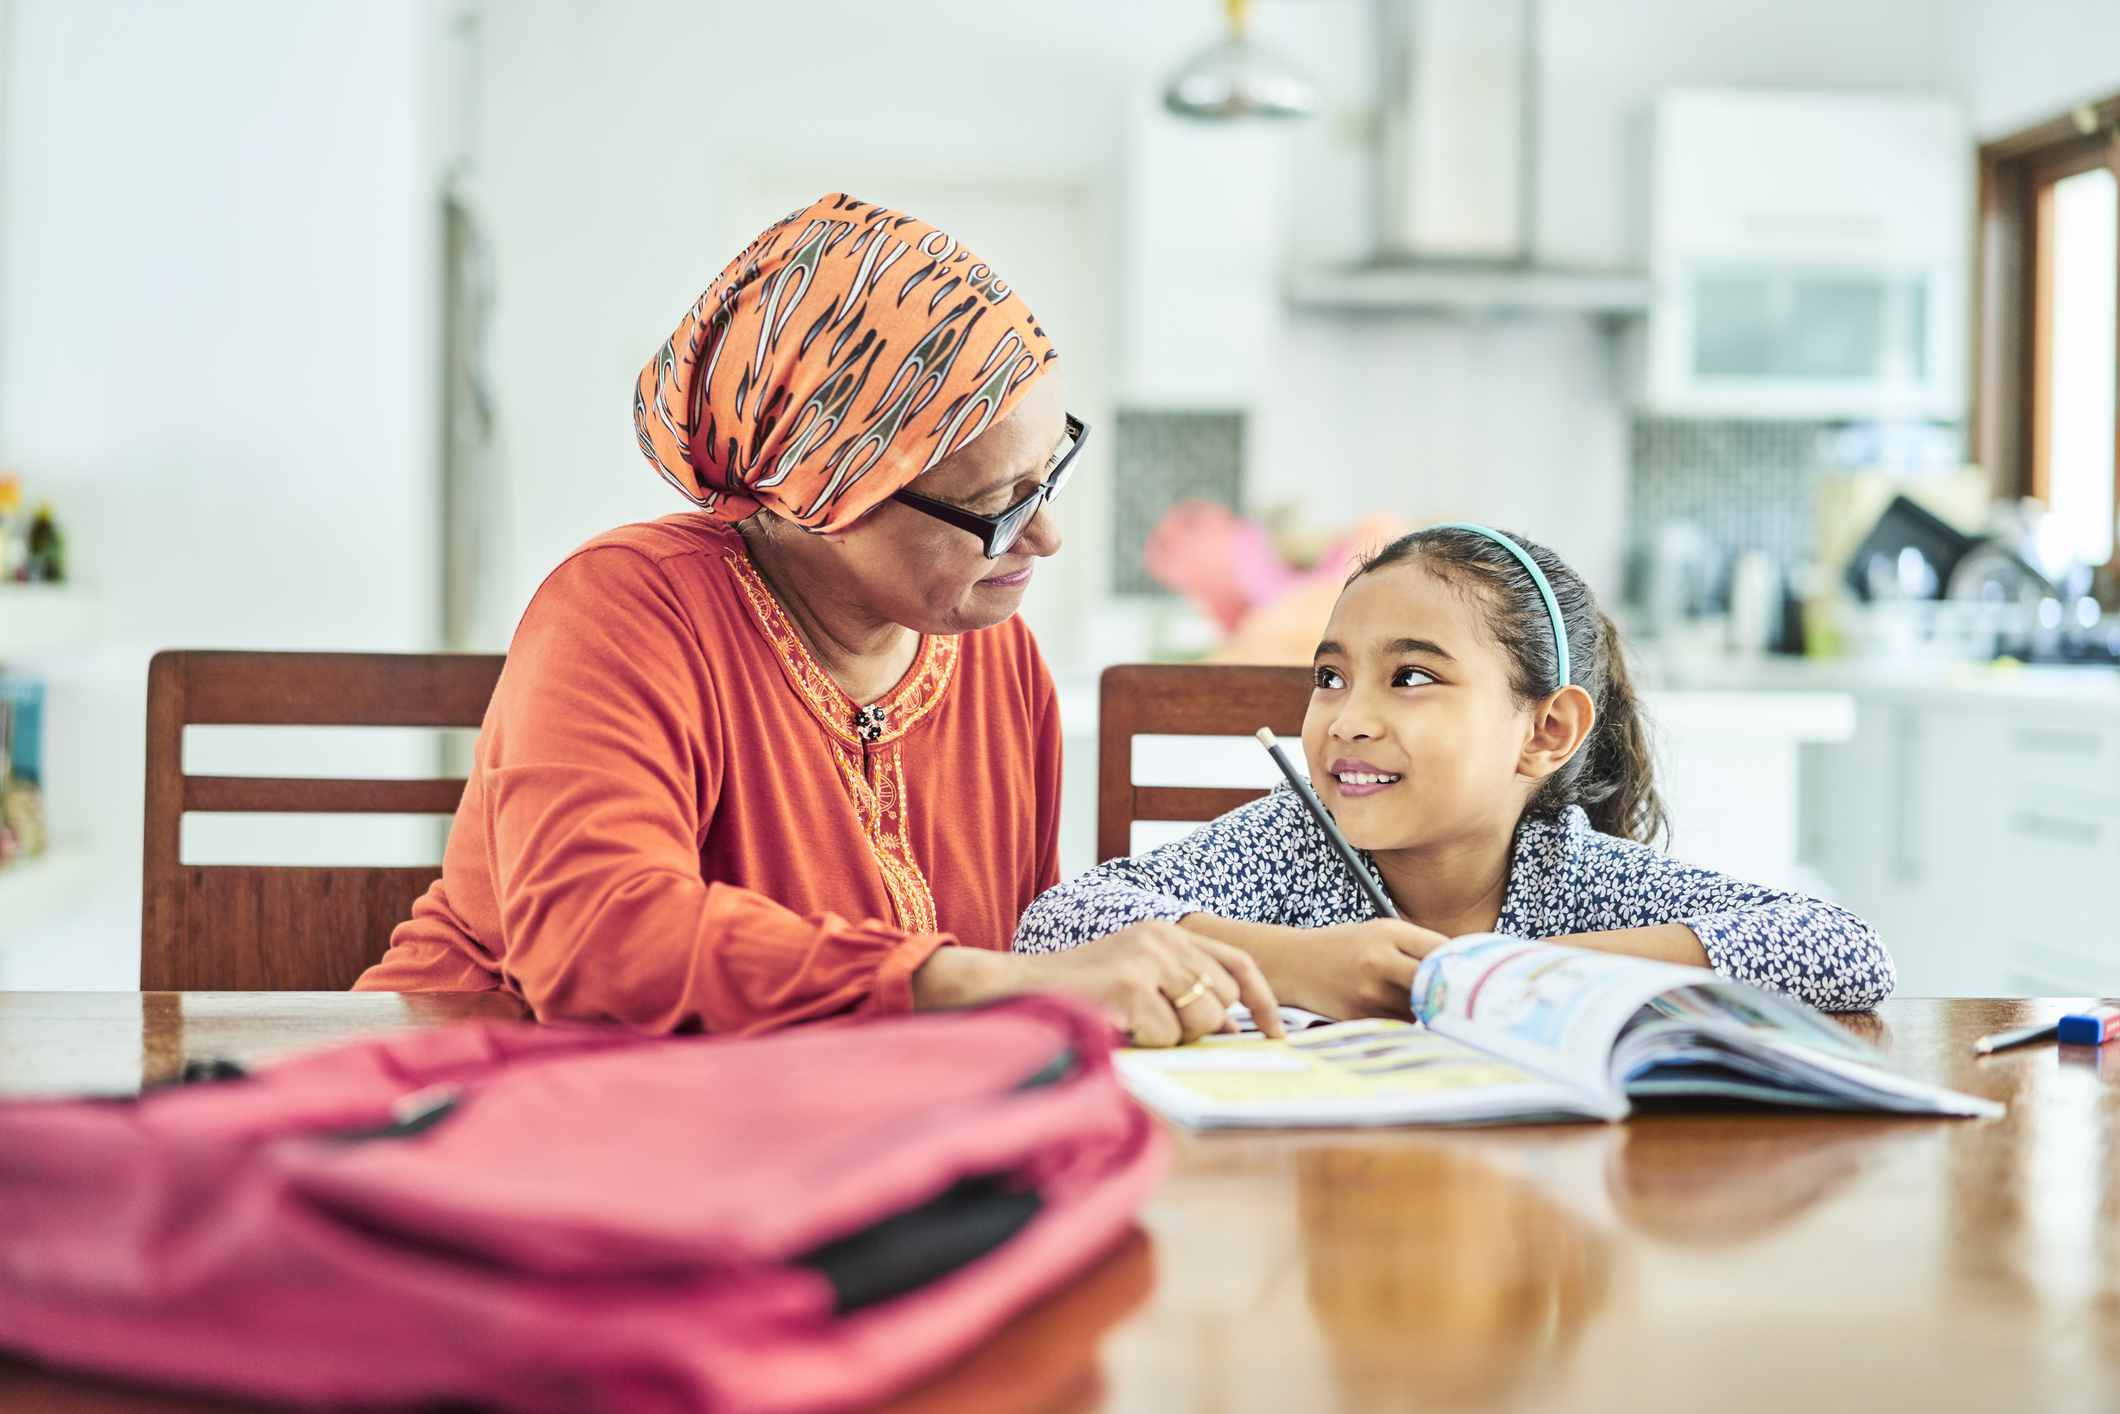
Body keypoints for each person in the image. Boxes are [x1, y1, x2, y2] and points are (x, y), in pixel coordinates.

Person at [355, 193, 1281, 1042]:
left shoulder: (1001, 660)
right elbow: (601, 943)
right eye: (1000, 502)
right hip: (488, 1095)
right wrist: (974, 982)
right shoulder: (627, 609)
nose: (1044, 538)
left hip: (810, 1128)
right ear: (821, 498)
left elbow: (1027, 954)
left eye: (1053, 471)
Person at [1014, 523, 1895, 1015]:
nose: (1349, 719)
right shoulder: (1289, 849)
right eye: (1330, 678)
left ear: (1545, 732)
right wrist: (1291, 964)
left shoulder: (1573, 876)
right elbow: (1060, 925)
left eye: (1413, 678)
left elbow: (1847, 952)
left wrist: (1530, 970)